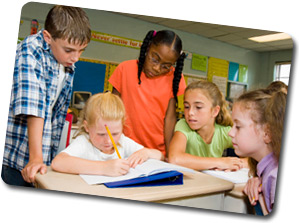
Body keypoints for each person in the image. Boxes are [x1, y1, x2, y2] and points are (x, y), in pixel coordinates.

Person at [1, 5, 91, 187]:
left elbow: (55, 112)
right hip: (15, 157)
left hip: (42, 155)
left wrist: (45, 157)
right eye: (69, 50)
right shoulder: (30, 50)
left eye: (81, 50)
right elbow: (34, 107)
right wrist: (36, 158)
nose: (76, 58)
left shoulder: (64, 59)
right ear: (48, 37)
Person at [109, 30, 186, 157]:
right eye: (155, 59)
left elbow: (170, 119)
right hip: (123, 149)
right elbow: (111, 111)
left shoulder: (175, 79)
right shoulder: (124, 69)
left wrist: (169, 155)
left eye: (166, 66)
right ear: (148, 46)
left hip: (155, 153)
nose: (157, 68)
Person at [51, 92, 164, 176]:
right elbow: (58, 162)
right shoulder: (84, 142)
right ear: (87, 127)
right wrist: (104, 168)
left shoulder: (122, 141)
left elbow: (160, 156)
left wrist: (146, 152)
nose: (108, 141)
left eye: (115, 133)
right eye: (101, 134)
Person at [228, 89, 286, 214]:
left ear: (267, 133)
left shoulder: (275, 178)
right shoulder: (267, 173)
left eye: (238, 127)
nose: (230, 133)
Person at [168, 80, 244, 171]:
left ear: (215, 111)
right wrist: (220, 162)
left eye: (198, 107)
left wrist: (235, 164)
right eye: (187, 107)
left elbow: (255, 158)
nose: (190, 113)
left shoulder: (224, 132)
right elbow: (175, 159)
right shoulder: (183, 125)